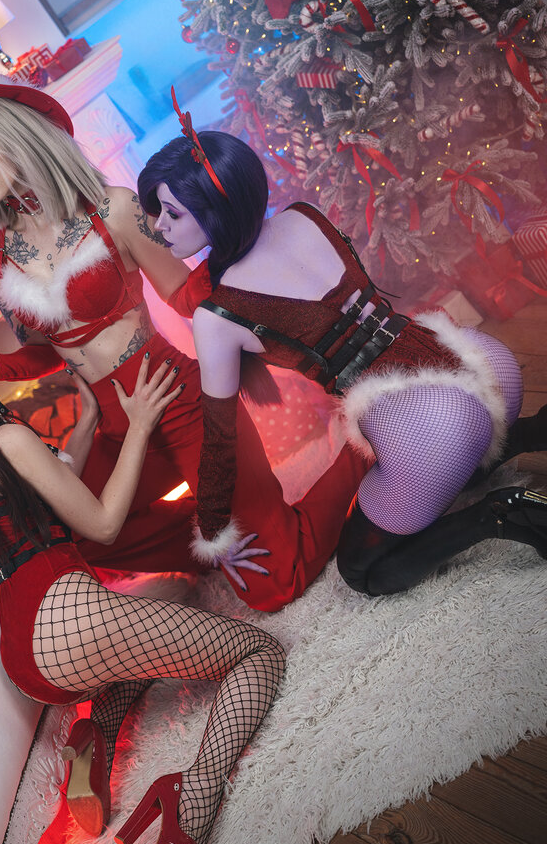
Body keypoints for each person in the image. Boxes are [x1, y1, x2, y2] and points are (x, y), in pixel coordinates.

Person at [0, 311, 286, 844]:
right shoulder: (5, 438)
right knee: (260, 654)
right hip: (68, 622)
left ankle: (97, 734)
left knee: (162, 612)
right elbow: (103, 524)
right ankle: (191, 796)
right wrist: (139, 424)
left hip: (28, 655)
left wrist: (86, 425)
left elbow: (46, 495)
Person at [0, 75, 368, 612]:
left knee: (275, 585)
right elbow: (38, 349)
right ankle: (207, 547)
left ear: (18, 135)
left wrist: (261, 272)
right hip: (111, 419)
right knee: (64, 524)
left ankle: (367, 444)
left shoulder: (113, 209)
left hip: (174, 395)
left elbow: (187, 295)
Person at [137, 113, 547, 597]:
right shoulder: (303, 213)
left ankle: (500, 513)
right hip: (484, 361)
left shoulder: (216, 317)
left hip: (428, 423)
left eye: (173, 213)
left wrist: (213, 532)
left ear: (218, 211)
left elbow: (220, 440)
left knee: (363, 571)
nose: (159, 227)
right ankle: (535, 429)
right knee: (456, 463)